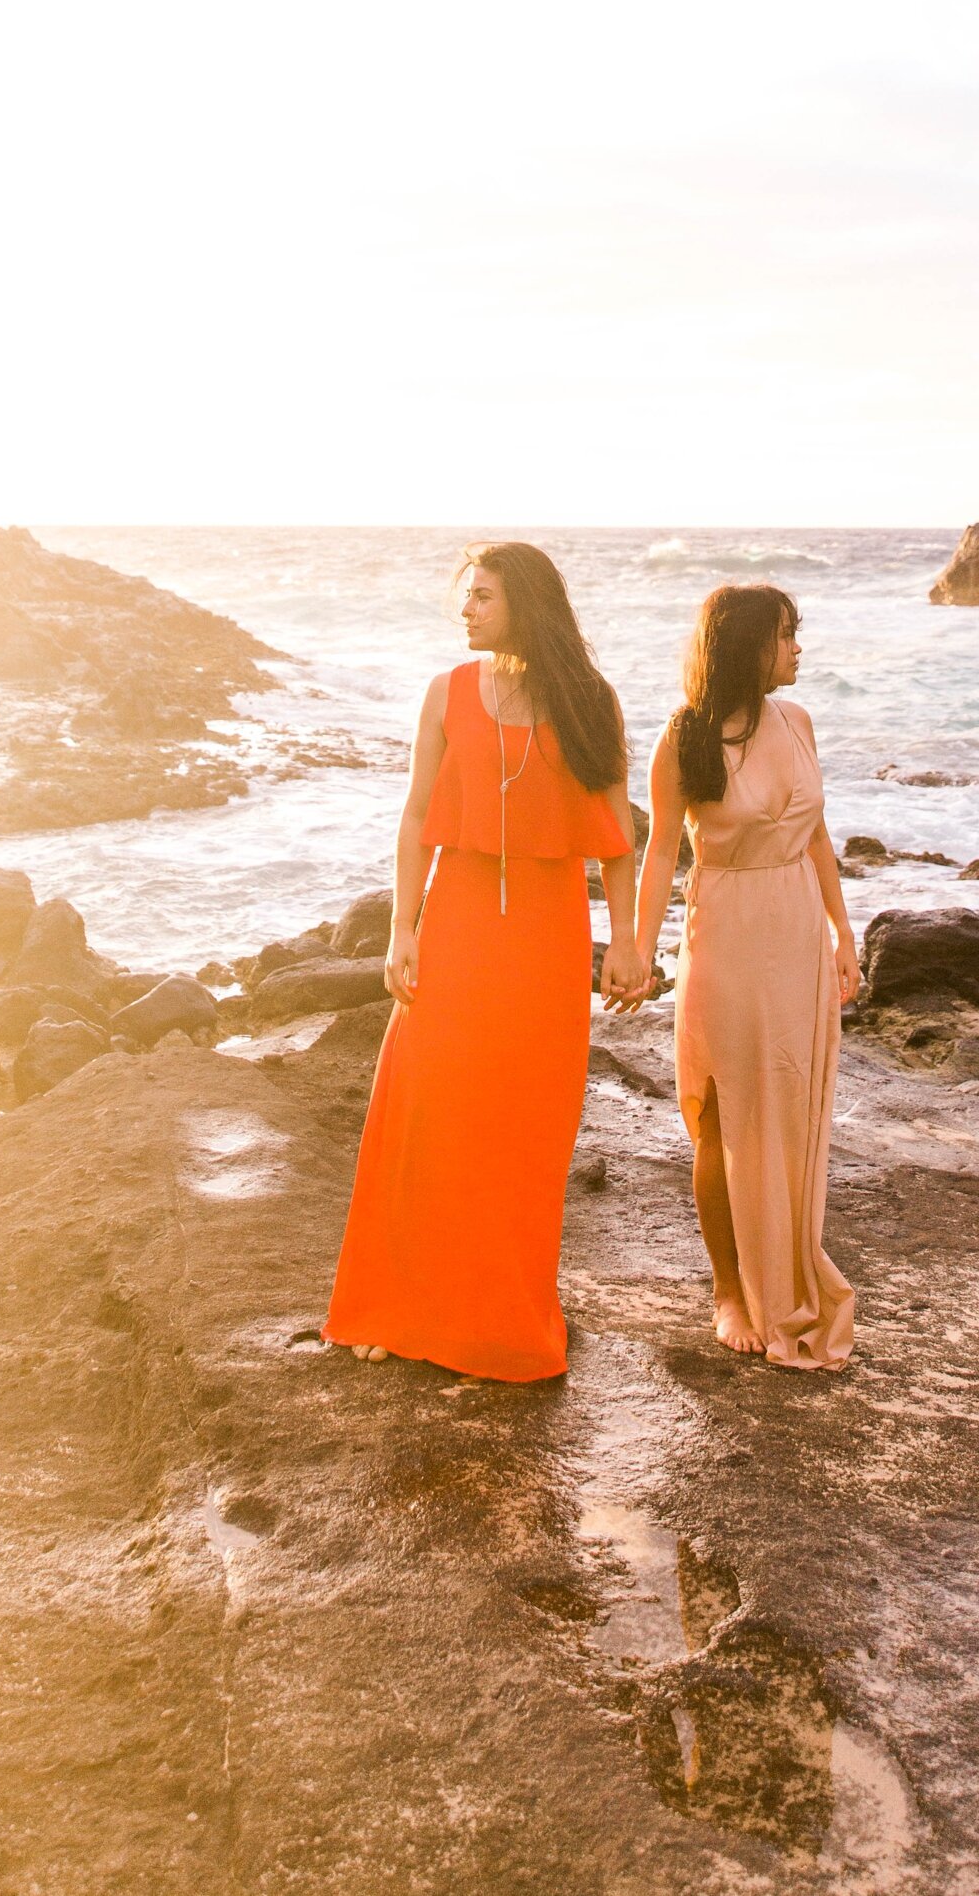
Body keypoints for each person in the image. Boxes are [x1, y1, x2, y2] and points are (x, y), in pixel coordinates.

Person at [324, 542, 637, 1382]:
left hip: (547, 938)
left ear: (523, 605)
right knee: (426, 1113)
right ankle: (397, 1308)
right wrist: (403, 928)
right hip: (458, 925)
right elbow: (417, 814)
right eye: (466, 596)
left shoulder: (588, 702)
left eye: (483, 596)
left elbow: (617, 838)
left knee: (524, 1129)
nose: (465, 610)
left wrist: (633, 940)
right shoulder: (446, 693)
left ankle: (500, 1321)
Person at [616, 583, 860, 1367]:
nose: (797, 649)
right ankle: (729, 1288)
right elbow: (660, 854)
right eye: (787, 635)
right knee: (722, 1114)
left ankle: (787, 1271)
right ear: (748, 645)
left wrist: (843, 931)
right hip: (724, 933)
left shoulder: (799, 722)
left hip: (794, 932)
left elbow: (817, 837)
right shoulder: (684, 737)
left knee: (790, 1106)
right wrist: (639, 949)